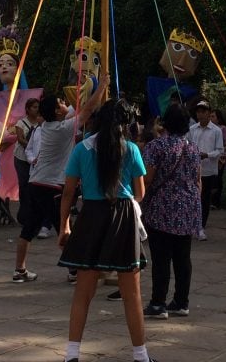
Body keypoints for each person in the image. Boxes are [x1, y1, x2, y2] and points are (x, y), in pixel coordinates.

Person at [57, 99, 156, 362]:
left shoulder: (82, 148)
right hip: (122, 216)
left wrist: (64, 225)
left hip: (91, 215)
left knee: (83, 290)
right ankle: (141, 356)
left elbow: (68, 192)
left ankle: (72, 354)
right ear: (126, 124)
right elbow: (140, 193)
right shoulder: (131, 149)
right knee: (131, 292)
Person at [13, 74, 109, 283]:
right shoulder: (62, 129)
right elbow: (87, 111)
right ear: (57, 111)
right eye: (62, 103)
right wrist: (101, 86)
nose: (66, 104)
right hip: (50, 186)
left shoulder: (48, 125)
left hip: (35, 183)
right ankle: (74, 271)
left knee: (29, 228)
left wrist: (87, 85)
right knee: (65, 227)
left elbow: (80, 107)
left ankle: (20, 270)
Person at [140, 103, 202, 319]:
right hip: (188, 207)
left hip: (162, 208)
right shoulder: (192, 148)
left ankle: (158, 303)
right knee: (183, 257)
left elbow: (147, 177)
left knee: (161, 257)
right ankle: (181, 301)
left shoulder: (156, 147)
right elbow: (198, 180)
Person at [188, 100, 223, 241]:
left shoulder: (216, 130)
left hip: (208, 170)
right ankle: (192, 224)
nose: (200, 114)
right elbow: (188, 145)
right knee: (192, 197)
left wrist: (207, 155)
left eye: (203, 111)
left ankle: (201, 227)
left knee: (204, 199)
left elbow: (219, 150)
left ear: (209, 113)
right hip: (193, 169)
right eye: (198, 112)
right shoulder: (192, 129)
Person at [13, 97, 41, 226]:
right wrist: (31, 146)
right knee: (24, 186)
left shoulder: (41, 122)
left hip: (36, 160)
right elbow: (20, 139)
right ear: (28, 109)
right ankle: (23, 214)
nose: (36, 109)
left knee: (34, 187)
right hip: (22, 159)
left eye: (37, 107)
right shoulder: (21, 123)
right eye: (34, 107)